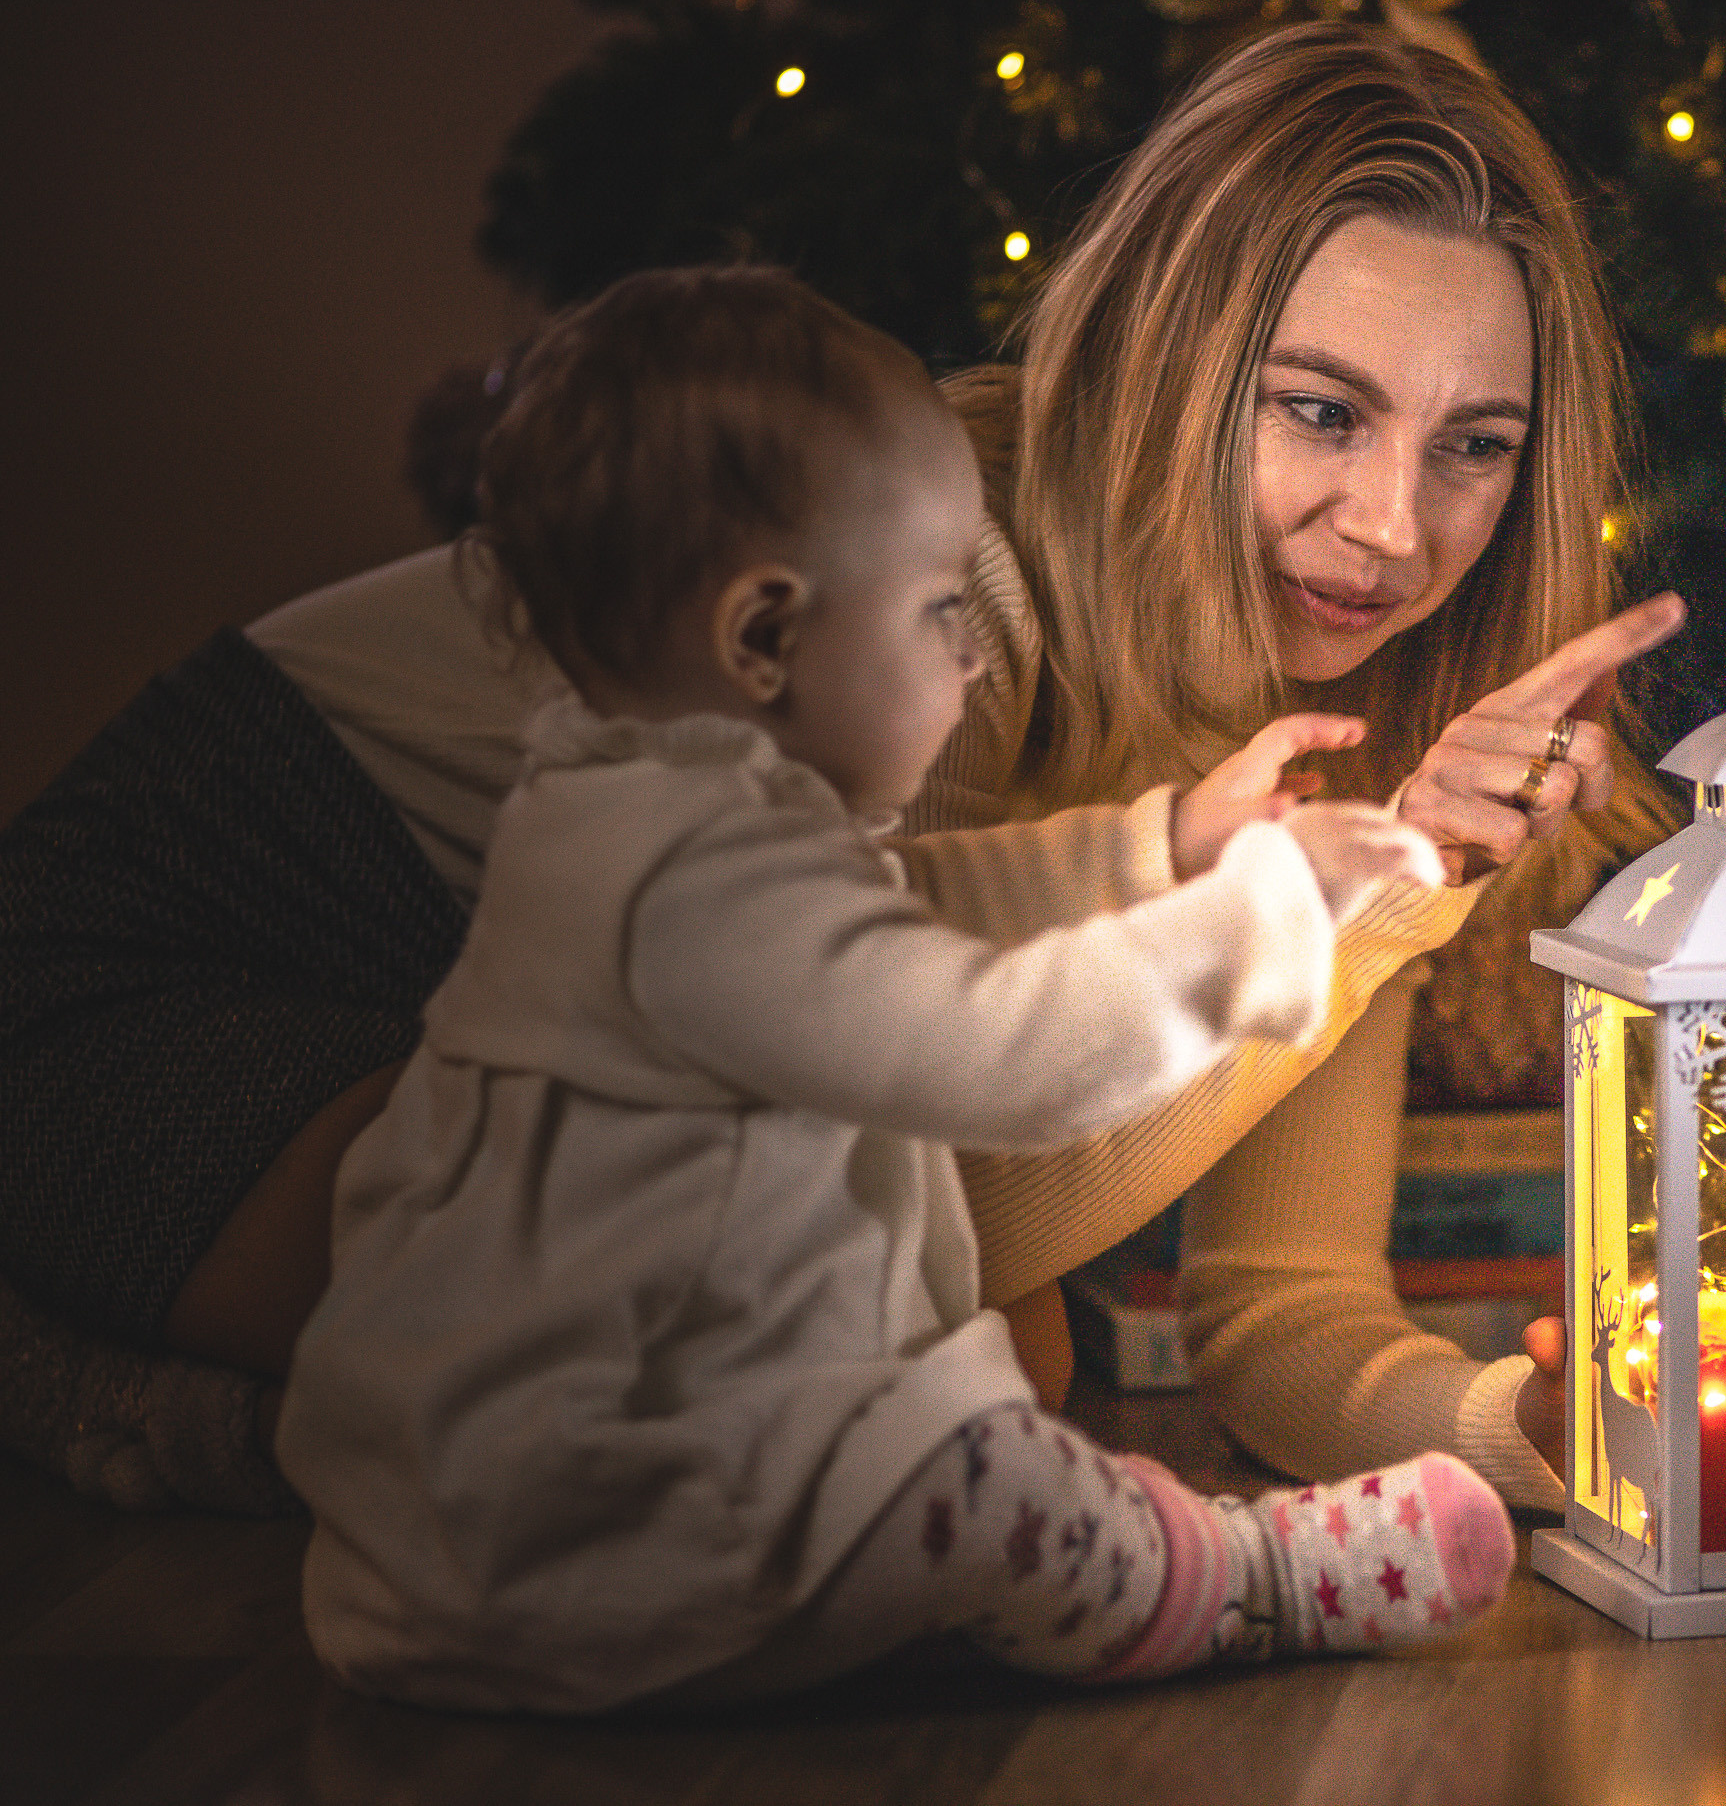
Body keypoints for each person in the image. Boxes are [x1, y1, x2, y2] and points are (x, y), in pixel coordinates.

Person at [0, 20, 1682, 1518]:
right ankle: (109, 1388)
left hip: (510, 1039)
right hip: (159, 965)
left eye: (1474, 448)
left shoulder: (1365, 744)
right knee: (900, 1331)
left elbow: (1280, 1314)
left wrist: (1519, 1428)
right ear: (1176, 367)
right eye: (1321, 412)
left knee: (999, 1362)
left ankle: (260, 1407)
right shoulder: (937, 578)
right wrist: (1357, 907)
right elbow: (879, 1208)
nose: (1395, 528)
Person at [274, 264, 1518, 1711]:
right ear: (761, 640)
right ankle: (1235, 1580)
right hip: (602, 1516)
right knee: (981, 1458)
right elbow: (978, 1043)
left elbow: (914, 908)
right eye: (938, 610)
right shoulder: (694, 879)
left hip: (487, 1515)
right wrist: (1262, 920)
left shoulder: (640, 806)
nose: (968, 647)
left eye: (1475, 443)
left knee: (960, 1389)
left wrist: (1169, 845)